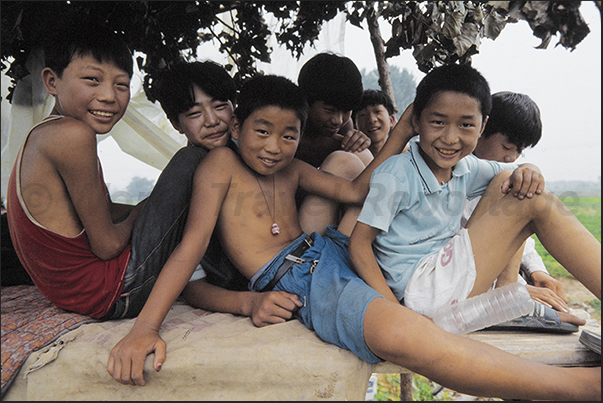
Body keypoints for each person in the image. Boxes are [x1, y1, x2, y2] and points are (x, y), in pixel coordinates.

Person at [109, 73, 600, 401]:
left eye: (287, 134)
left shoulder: (294, 166)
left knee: (517, 200)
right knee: (402, 335)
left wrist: (402, 131)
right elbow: (190, 248)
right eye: (261, 131)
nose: (273, 147)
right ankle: (578, 389)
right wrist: (145, 329)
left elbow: (355, 188)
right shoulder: (218, 164)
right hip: (298, 274)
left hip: (328, 253)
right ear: (239, 126)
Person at [5, 21, 234, 325]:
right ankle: (239, 274)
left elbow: (105, 212)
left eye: (121, 84)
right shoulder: (72, 136)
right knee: (192, 158)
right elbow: (108, 245)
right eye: (92, 80)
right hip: (114, 292)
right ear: (51, 81)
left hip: (81, 295)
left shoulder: (45, 135)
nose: (109, 96)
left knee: (190, 206)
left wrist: (153, 210)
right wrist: (144, 211)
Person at [348, 64, 598, 332]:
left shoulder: (466, 168)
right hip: (421, 292)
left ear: (482, 126)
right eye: (438, 122)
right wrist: (394, 311)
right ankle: (506, 299)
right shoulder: (396, 174)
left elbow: (513, 172)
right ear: (417, 121)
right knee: (534, 201)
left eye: (466, 124)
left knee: (509, 181)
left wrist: (531, 170)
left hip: (445, 275)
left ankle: (505, 297)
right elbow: (359, 243)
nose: (450, 138)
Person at [461, 91, 571, 319]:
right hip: (467, 282)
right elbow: (474, 249)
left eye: (519, 151)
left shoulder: (500, 174)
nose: (512, 157)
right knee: (522, 189)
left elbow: (517, 235)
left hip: (493, 282)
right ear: (481, 130)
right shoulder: (459, 175)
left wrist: (537, 271)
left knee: (523, 186)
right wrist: (518, 289)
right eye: (507, 147)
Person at [296, 52, 373, 235]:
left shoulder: (345, 128)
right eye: (329, 110)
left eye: (346, 111)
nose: (337, 120)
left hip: (336, 211)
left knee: (359, 153)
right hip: (289, 217)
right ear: (306, 102)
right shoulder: (288, 126)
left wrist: (361, 141)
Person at [353, 88, 398, 156]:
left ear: (391, 120)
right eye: (363, 115)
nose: (371, 120)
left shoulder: (405, 155)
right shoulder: (352, 158)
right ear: (355, 125)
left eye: (377, 112)